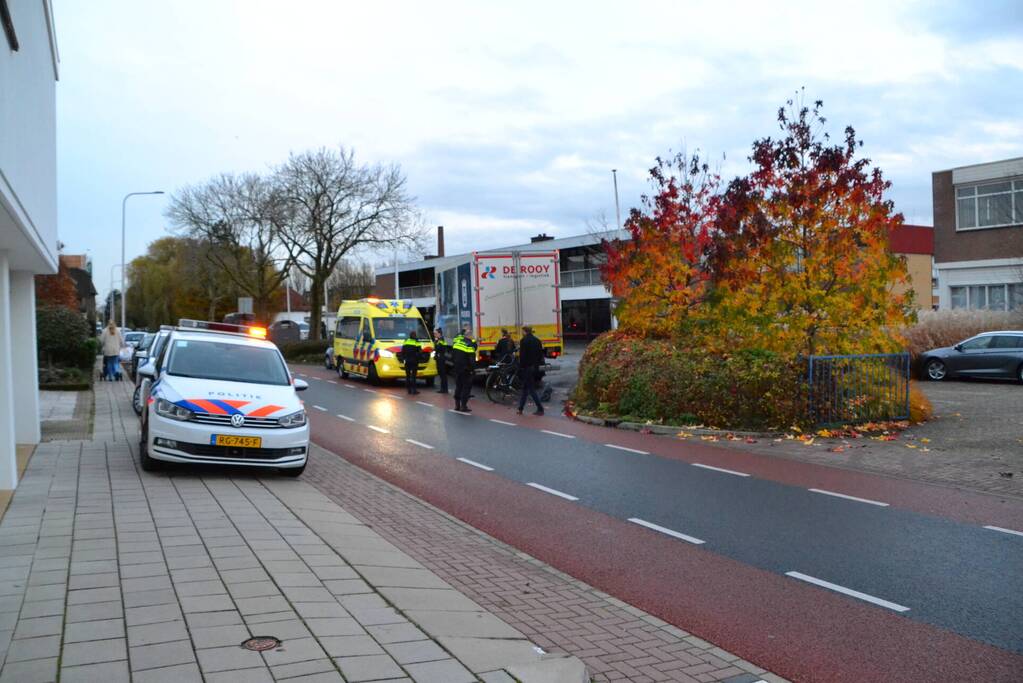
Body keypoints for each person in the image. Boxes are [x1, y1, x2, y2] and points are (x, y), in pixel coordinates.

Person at [516, 325, 545, 416]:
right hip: (534, 367)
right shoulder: (537, 341)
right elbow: (540, 355)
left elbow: (522, 356)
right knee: (525, 388)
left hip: (526, 368)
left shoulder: (524, 341)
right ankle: (520, 408)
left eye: (523, 332)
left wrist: (520, 367)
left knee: (531, 389)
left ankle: (540, 408)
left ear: (525, 331)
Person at [451, 327, 477, 412]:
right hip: (466, 370)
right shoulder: (469, 345)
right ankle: (463, 406)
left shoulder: (457, 343)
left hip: (457, 369)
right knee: (466, 387)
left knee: (458, 386)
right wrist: (473, 370)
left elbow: (452, 356)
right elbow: (472, 360)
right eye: (472, 335)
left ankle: (457, 405)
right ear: (469, 336)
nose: (473, 336)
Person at [433, 328, 449, 394]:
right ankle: (443, 388)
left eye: (435, 333)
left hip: (441, 359)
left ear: (439, 334)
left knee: (443, 374)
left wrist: (436, 342)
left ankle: (444, 389)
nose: (434, 335)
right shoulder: (439, 340)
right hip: (439, 358)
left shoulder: (441, 340)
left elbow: (438, 348)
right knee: (441, 374)